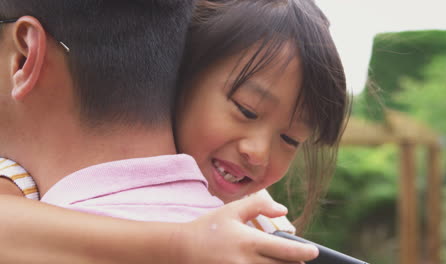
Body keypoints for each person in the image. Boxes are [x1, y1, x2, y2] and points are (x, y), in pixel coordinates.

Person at [0, 0, 348, 262]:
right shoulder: (22, 179)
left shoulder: (263, 225)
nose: (257, 152)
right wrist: (181, 244)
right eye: (246, 110)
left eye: (290, 140)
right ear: (180, 78)